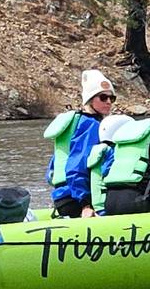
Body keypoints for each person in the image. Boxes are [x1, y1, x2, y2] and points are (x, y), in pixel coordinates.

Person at [44, 69, 118, 218]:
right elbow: (76, 165)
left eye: (112, 98)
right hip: (76, 199)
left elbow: (52, 169)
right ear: (90, 99)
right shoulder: (90, 125)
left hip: (63, 197)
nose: (109, 102)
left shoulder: (75, 121)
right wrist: (85, 204)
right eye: (103, 97)